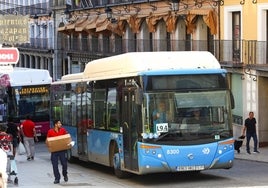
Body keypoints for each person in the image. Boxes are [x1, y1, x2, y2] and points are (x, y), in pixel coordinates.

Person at [46, 120, 68, 184]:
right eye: (59, 123)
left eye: (60, 123)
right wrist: (49, 145)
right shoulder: (50, 131)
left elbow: (66, 138)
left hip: (62, 150)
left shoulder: (63, 130)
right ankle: (57, 178)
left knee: (64, 164)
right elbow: (47, 141)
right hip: (54, 151)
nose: (60, 124)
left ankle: (65, 174)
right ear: (55, 124)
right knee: (55, 165)